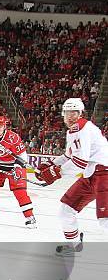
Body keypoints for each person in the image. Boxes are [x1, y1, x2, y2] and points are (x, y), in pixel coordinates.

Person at [36, 98, 108, 255]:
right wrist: (48, 165)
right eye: (67, 112)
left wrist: (56, 173)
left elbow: (80, 162)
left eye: (74, 112)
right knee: (66, 210)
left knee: (105, 220)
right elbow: (69, 156)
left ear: (80, 113)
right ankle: (73, 244)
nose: (70, 116)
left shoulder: (82, 129)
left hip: (104, 173)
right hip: (91, 174)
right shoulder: (74, 131)